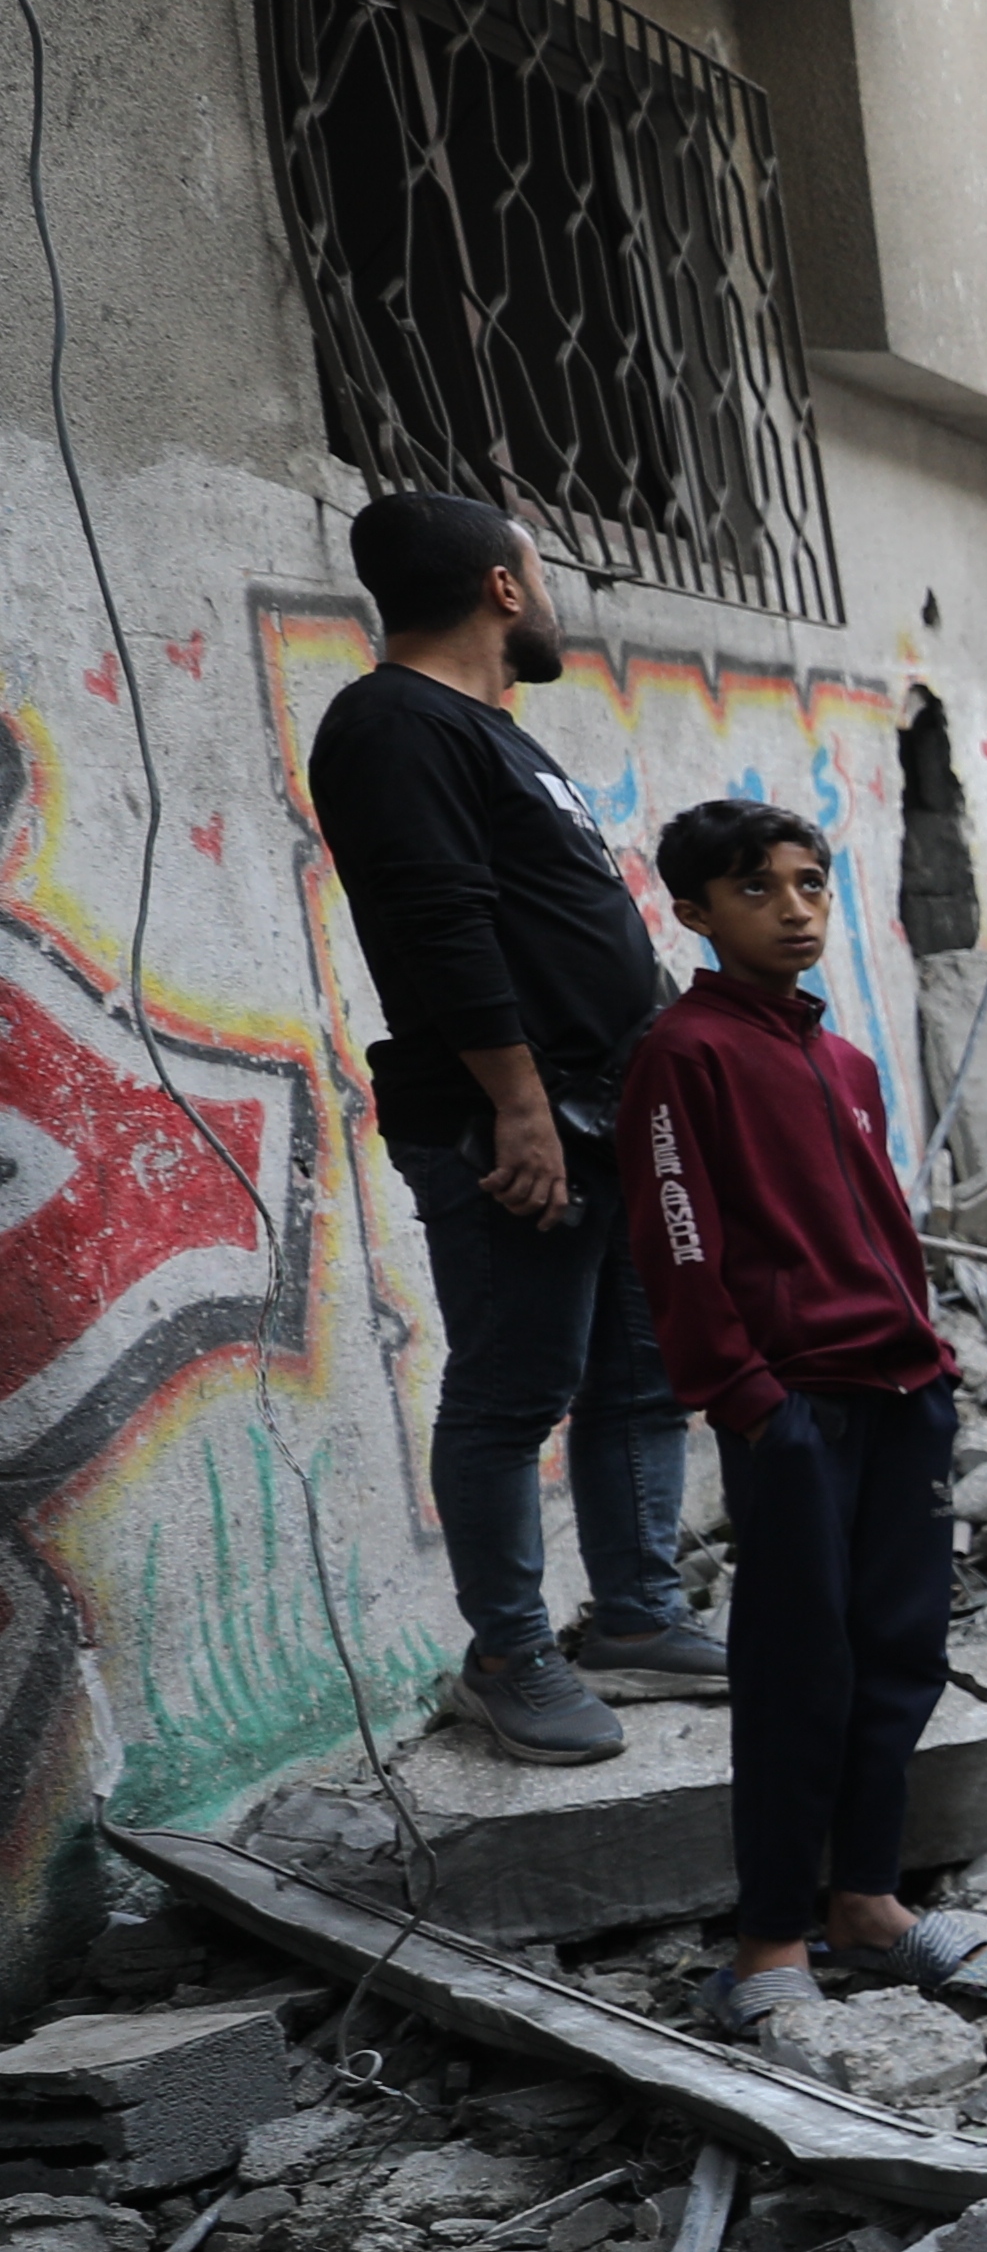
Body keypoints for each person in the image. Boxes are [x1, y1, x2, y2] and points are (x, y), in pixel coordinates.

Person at [307, 493, 709, 1764]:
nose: (552, 600)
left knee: (640, 1377)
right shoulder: (392, 723)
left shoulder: (487, 731)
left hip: (611, 1114)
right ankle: (507, 1656)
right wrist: (519, 1109)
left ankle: (639, 1614)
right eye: (543, 575)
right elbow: (444, 926)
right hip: (515, 1123)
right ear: (500, 585)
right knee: (511, 1391)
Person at [623, 799, 986, 2034]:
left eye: (809, 884)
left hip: (900, 1397)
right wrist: (748, 1396)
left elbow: (887, 1234)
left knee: (900, 1652)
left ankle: (867, 1904)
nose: (792, 910)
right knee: (799, 1672)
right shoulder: (686, 1054)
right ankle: (772, 1937)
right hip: (795, 1410)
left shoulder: (846, 1064)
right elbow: (679, 1242)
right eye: (757, 891)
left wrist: (932, 1365)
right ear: (695, 912)